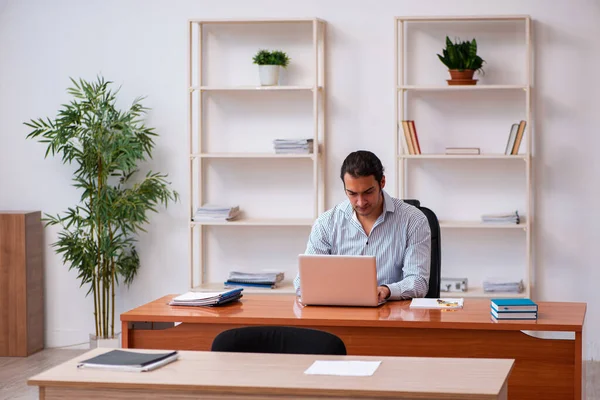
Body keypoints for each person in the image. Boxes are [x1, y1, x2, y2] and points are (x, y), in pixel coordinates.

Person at [293, 150, 431, 302]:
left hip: (393, 314)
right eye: (352, 193)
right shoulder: (326, 223)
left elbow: (418, 282)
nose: (360, 202)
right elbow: (302, 284)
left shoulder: (414, 220)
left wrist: (386, 290)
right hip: (339, 314)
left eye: (368, 192)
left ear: (382, 182)